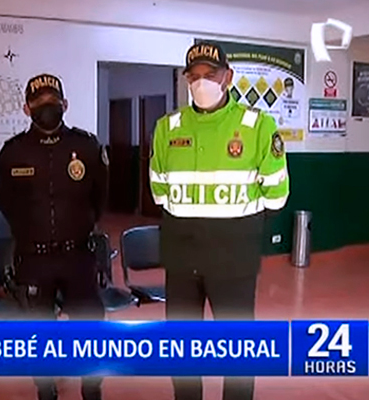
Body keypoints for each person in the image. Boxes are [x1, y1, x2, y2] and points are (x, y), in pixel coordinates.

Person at [149, 42, 290, 400]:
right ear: (186, 80)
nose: (201, 83)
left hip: (233, 262)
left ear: (228, 77)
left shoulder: (258, 126)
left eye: (210, 75)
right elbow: (159, 193)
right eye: (193, 76)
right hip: (182, 261)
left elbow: (277, 196)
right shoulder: (167, 128)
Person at [0, 73, 108, 400]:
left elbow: (100, 198)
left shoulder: (85, 146)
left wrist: (81, 225)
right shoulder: (13, 152)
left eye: (52, 100)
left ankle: (92, 389)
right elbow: (6, 203)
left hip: (78, 255)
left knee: (91, 328)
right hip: (33, 258)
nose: (47, 105)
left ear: (65, 104)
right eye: (39, 101)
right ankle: (46, 390)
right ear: (26, 108)